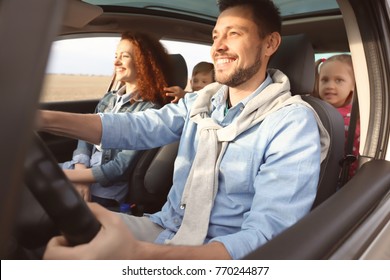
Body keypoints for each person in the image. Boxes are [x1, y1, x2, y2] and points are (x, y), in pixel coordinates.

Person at [39, 0, 329, 260]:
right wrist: (38, 119)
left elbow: (266, 238)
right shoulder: (200, 102)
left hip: (218, 252)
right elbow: (136, 127)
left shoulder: (292, 123)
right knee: (49, 220)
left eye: (234, 33)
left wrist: (140, 257)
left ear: (269, 44)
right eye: (216, 36)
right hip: (164, 226)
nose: (218, 46)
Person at [60, 32, 174, 208]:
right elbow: (85, 134)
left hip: (104, 191)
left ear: (143, 63)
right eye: (116, 56)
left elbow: (120, 167)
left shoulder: (150, 111)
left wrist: (74, 177)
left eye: (125, 56)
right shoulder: (109, 98)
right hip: (79, 173)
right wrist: (80, 173)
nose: (116, 62)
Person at [313, 54, 360, 179]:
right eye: (325, 80)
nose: (330, 86)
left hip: (345, 181)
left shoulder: (357, 118)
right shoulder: (312, 111)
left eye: (339, 80)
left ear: (353, 85)